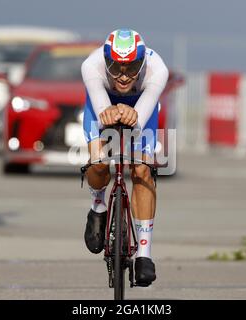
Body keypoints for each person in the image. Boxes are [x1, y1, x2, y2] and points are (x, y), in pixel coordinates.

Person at [81, 28, 168, 287]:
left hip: (143, 104)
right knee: (99, 162)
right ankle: (98, 206)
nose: (122, 76)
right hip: (102, 103)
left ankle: (144, 253)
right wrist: (109, 112)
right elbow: (101, 109)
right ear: (105, 61)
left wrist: (133, 117)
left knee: (142, 170)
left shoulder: (158, 69)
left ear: (141, 64)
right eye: (115, 67)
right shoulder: (91, 65)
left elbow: (141, 118)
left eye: (131, 68)